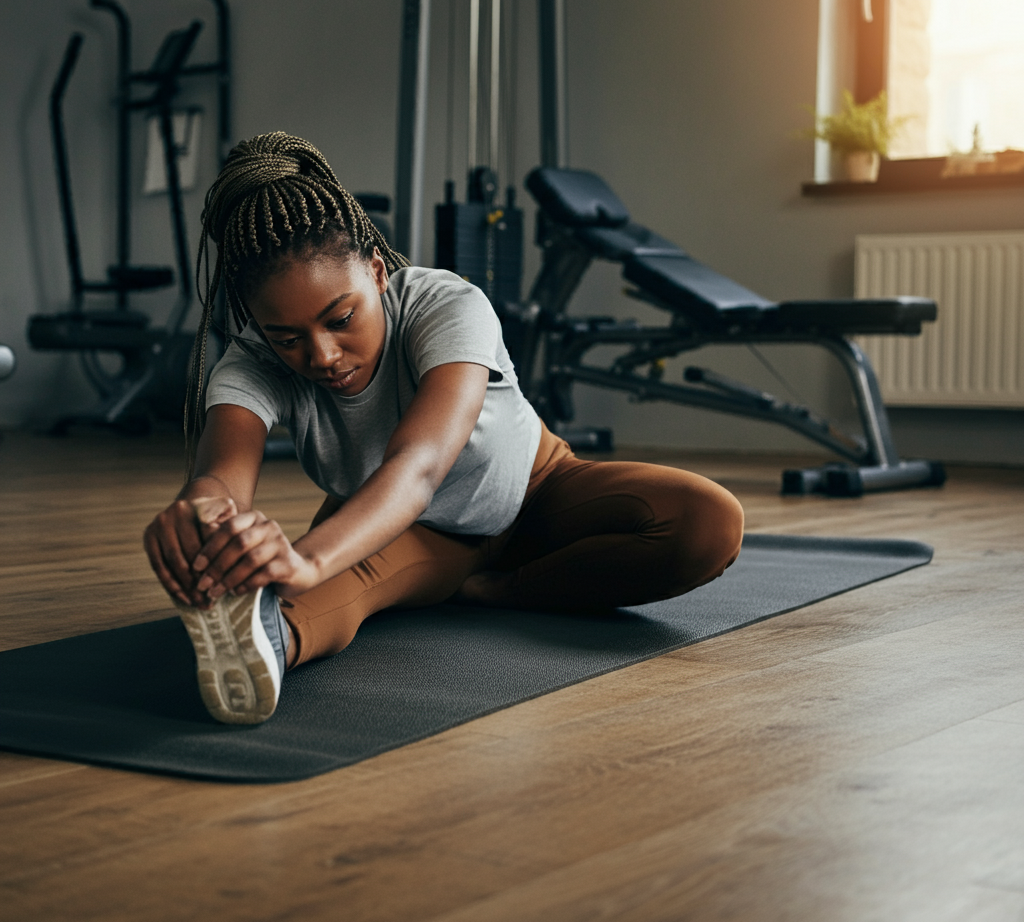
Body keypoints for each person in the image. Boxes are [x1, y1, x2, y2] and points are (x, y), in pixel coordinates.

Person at [144, 132, 745, 725]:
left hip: (537, 487)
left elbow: (418, 465)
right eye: (288, 338)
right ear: (259, 327)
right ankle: (266, 642)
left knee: (707, 522)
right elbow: (222, 475)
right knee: (336, 584)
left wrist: (305, 557)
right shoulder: (249, 364)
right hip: (413, 531)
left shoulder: (445, 304)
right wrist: (198, 515)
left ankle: (495, 589)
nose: (322, 355)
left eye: (341, 318)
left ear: (377, 271)